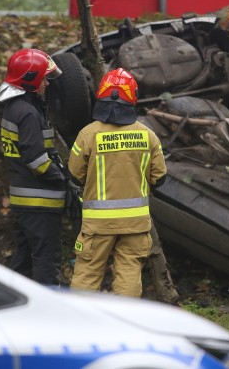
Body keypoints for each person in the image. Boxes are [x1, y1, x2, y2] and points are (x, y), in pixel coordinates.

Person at [67, 68, 167, 297]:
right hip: (135, 223)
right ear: (133, 96)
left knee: (87, 274)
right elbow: (159, 179)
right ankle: (124, 324)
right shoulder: (147, 135)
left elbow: (73, 175)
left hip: (97, 225)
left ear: (101, 95)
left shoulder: (87, 135)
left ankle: (79, 324)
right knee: (129, 274)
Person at [0, 48, 67, 286]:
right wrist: (64, 179)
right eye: (43, 78)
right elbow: (36, 160)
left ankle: (11, 306)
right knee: (46, 261)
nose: (47, 83)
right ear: (31, 79)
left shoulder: (15, 107)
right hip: (40, 204)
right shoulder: (27, 113)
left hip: (24, 201)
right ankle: (48, 314)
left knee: (24, 262)